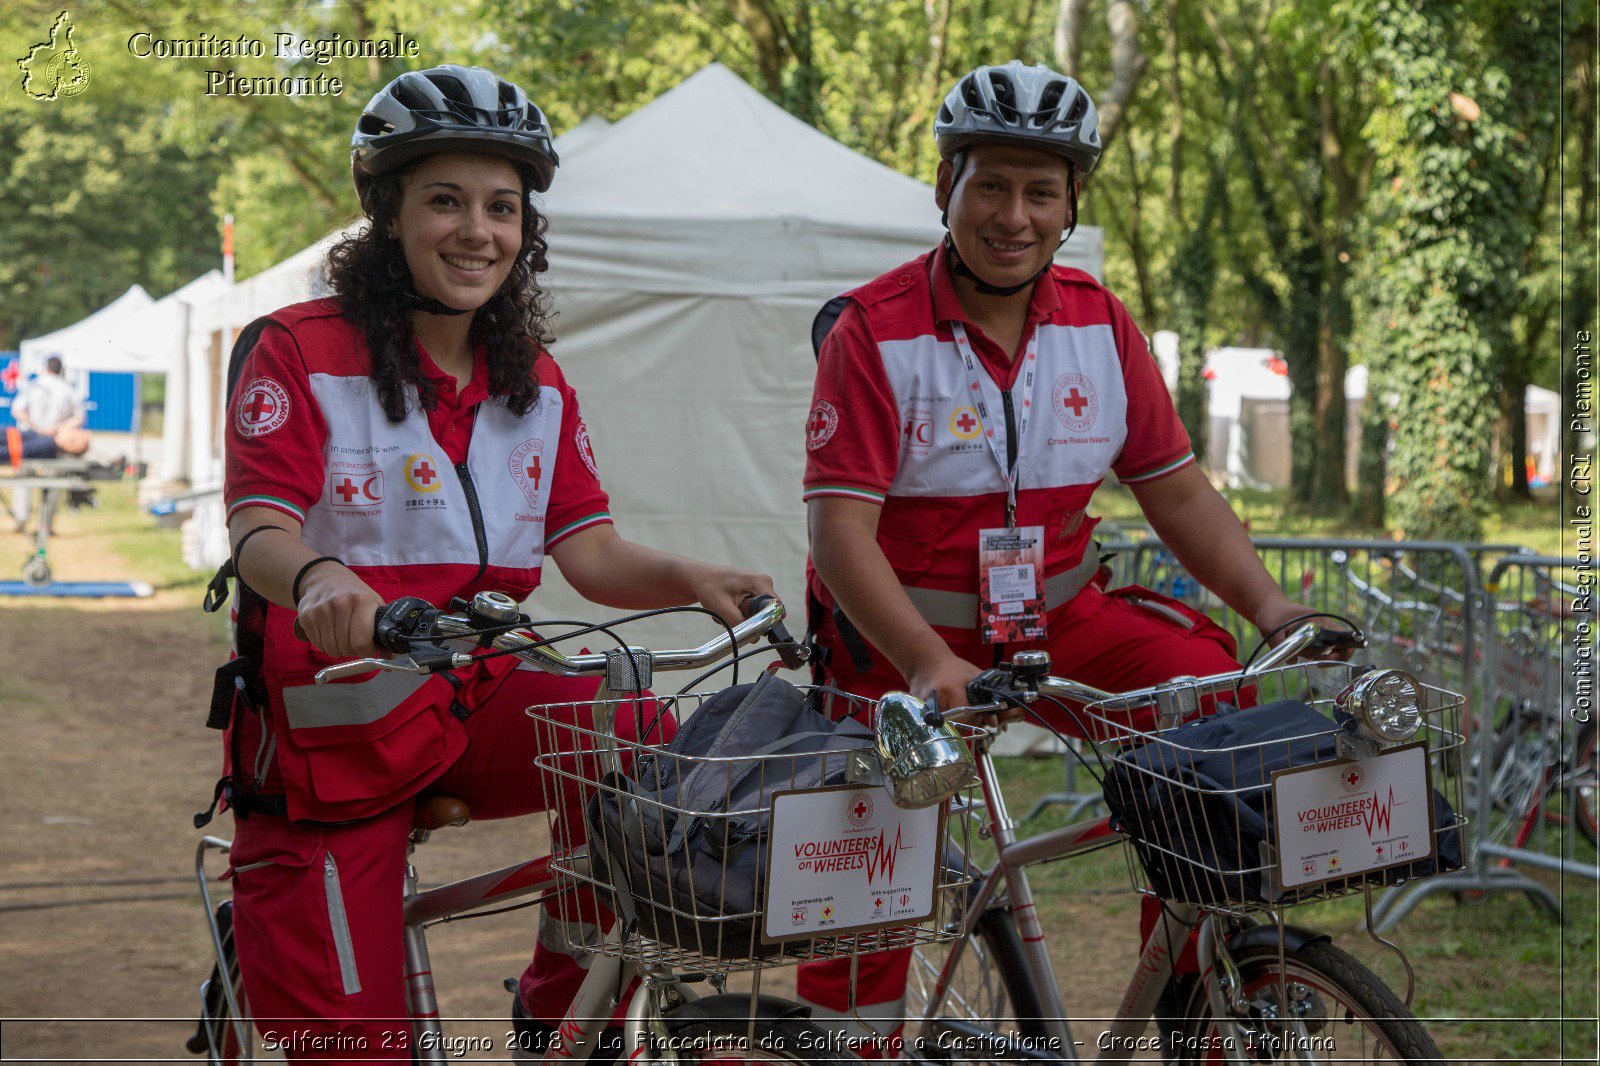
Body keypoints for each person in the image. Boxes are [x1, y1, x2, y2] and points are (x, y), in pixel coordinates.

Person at [216, 65, 773, 1061]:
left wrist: (693, 575)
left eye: (501, 208)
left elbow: (590, 553)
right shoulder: (298, 350)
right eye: (445, 201)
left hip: (474, 696)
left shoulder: (534, 382)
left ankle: (563, 1013)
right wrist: (319, 579)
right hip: (331, 732)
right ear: (390, 214)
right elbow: (259, 528)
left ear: (526, 229)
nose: (477, 231)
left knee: (634, 727)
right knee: (356, 1050)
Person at [797, 61, 1326, 1055]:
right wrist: (923, 661)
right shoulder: (872, 330)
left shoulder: (1100, 320)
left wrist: (1272, 608)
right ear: (943, 183)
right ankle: (846, 1044)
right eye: (988, 184)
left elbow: (1174, 490)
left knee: (1211, 698)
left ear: (1070, 200)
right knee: (859, 887)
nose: (1013, 214)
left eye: (1041, 191)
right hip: (901, 649)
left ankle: (1201, 1008)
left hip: (1060, 623)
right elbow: (837, 535)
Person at [11, 356, 83, 435]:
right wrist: (58, 428)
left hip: (31, 437)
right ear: (61, 369)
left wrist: (37, 428)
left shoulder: (33, 385)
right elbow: (79, 418)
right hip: (56, 437)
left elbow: (17, 411)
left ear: (46, 368)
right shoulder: (68, 389)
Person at [5, 424, 90, 463]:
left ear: (70, 446)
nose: (73, 430)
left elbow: (13, 451)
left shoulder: (47, 445)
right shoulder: (47, 439)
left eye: (75, 433)